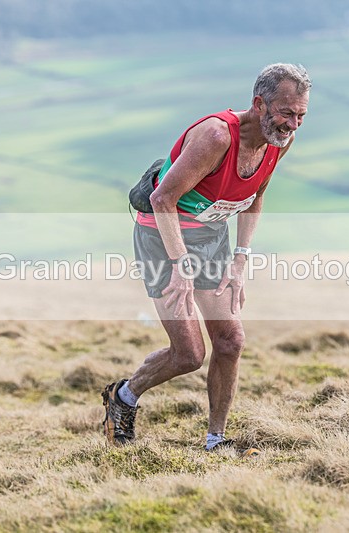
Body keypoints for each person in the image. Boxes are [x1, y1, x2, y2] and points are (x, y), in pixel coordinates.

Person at [102, 63, 311, 451]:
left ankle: (216, 441)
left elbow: (255, 196)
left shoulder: (279, 141)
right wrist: (181, 265)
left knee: (230, 340)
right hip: (163, 237)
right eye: (286, 113)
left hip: (212, 237)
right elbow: (161, 198)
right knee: (189, 354)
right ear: (259, 104)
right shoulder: (216, 136)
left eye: (301, 116)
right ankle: (123, 398)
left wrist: (240, 260)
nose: (292, 125)